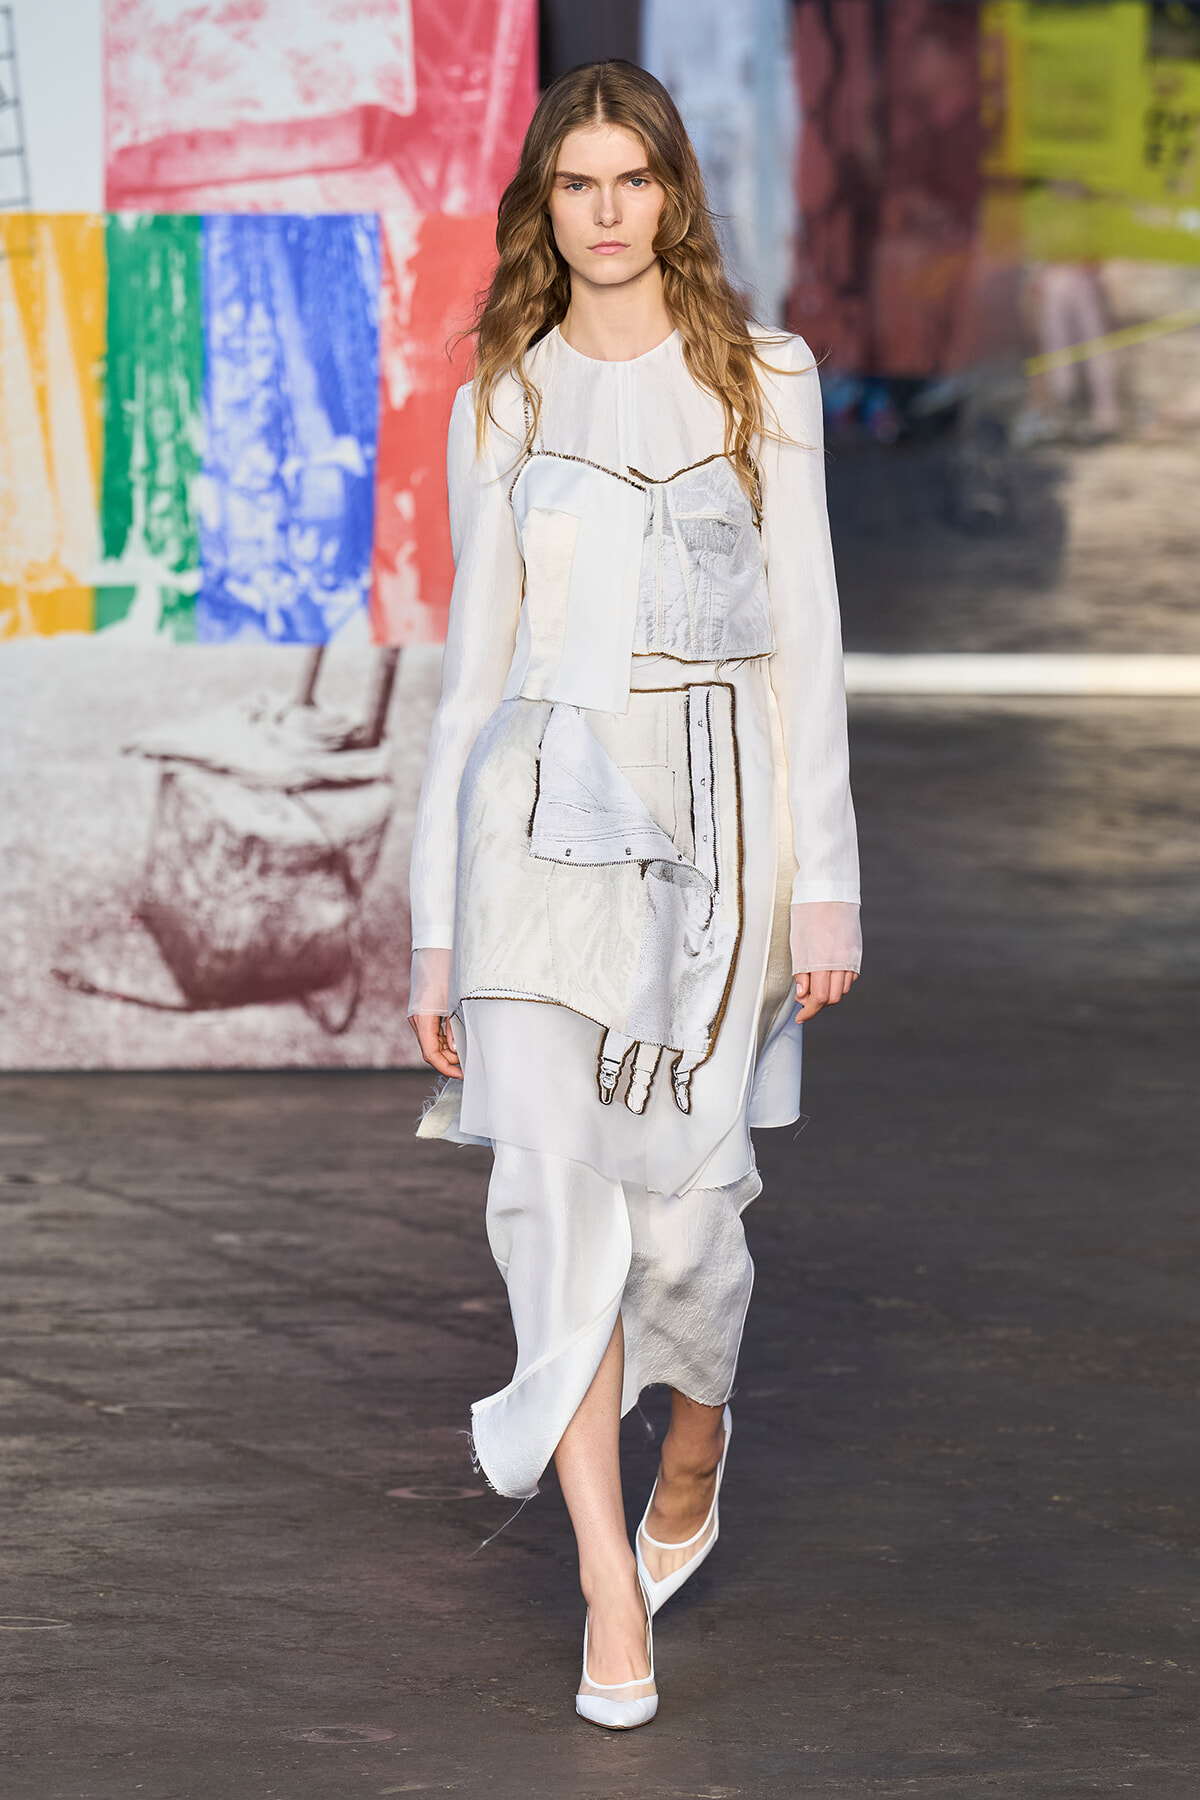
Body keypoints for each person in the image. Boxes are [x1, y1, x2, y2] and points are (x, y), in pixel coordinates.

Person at [407, 60, 860, 1731]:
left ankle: (699, 1444)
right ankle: (608, 1581)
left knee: (684, 1228)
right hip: (538, 832)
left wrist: (830, 888)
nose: (608, 213)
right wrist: (435, 933)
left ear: (674, 191)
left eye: (635, 179)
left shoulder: (767, 379)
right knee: (555, 1200)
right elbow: (470, 685)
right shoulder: (505, 396)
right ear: (548, 203)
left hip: (722, 830)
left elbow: (808, 647)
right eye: (578, 183)